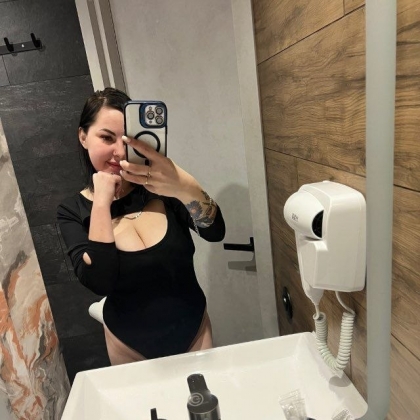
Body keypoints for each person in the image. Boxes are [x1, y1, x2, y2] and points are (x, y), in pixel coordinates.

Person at [57, 87, 225, 365]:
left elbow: (215, 231)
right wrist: (101, 203)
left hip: (195, 332)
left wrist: (183, 185)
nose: (120, 152)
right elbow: (99, 281)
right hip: (128, 346)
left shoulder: (163, 188)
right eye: (106, 138)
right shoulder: (72, 211)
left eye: (128, 140)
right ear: (83, 137)